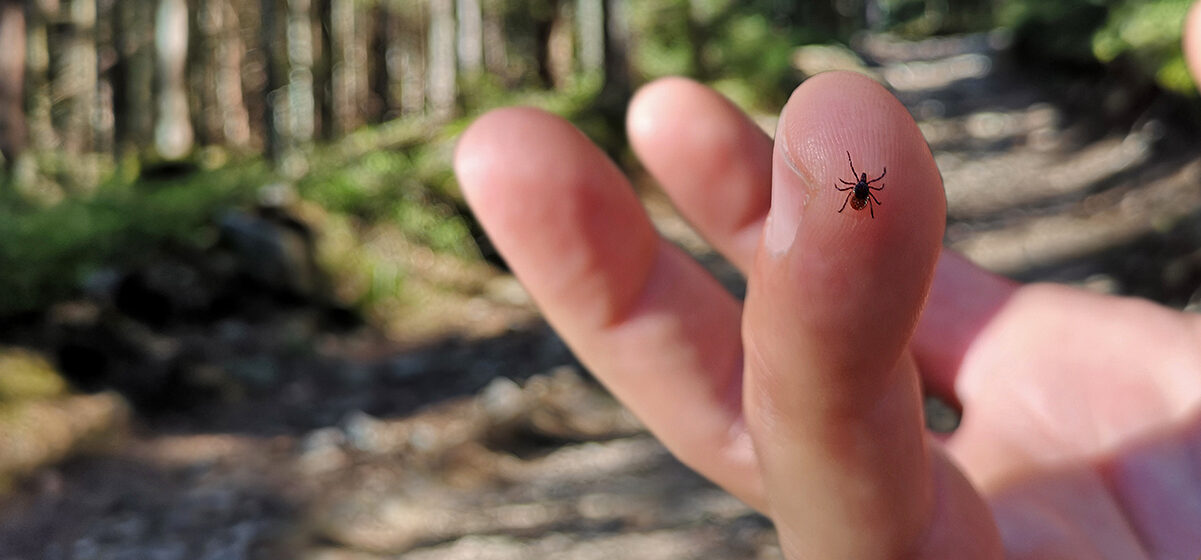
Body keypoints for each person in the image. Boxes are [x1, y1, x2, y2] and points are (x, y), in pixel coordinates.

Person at [453, 7, 1201, 559]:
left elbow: (861, 186)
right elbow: (860, 186)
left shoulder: (862, 191)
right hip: (859, 201)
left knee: (846, 228)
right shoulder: (861, 191)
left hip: (860, 201)